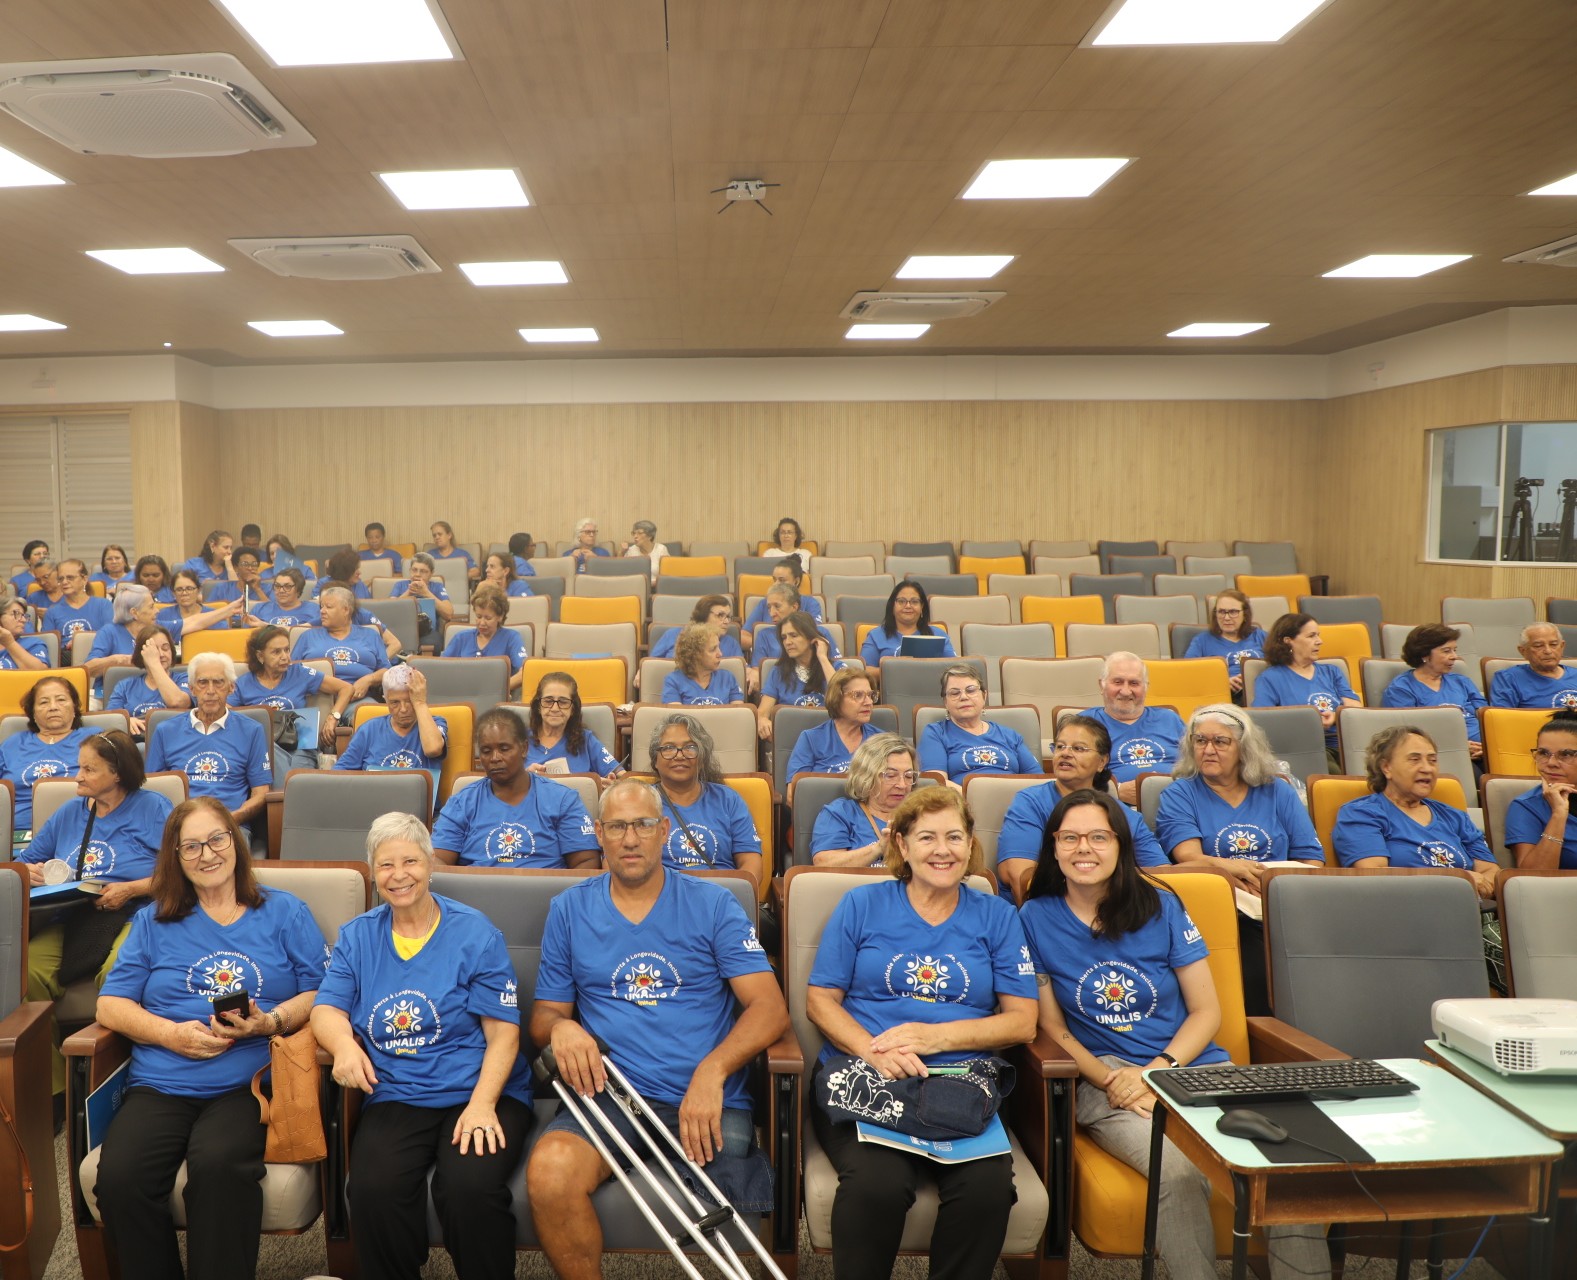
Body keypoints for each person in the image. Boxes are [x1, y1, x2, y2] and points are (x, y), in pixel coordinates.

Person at [1020, 787, 1331, 1280]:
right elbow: (1053, 1027)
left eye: (1099, 837)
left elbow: (1206, 1011)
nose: (1084, 848)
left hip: (1187, 1066)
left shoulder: (1162, 905)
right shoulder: (1034, 918)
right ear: (1053, 847)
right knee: (1178, 1171)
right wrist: (1114, 1080)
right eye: (1069, 837)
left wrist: (1157, 1073)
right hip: (1108, 1081)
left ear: (1121, 844)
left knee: (1286, 1165)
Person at [525, 780, 787, 1280]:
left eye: (643, 825)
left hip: (704, 1097)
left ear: (665, 830)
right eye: (617, 826)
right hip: (609, 1093)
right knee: (550, 1173)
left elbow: (770, 1010)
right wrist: (561, 1029)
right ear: (598, 833)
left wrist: (713, 1072)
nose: (630, 839)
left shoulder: (713, 904)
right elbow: (544, 1016)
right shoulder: (569, 909)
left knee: (727, 1197)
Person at [806, 786, 1037, 1280]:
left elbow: (1022, 1021)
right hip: (870, 1075)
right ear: (901, 844)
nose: (942, 850)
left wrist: (936, 1038)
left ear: (970, 844)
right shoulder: (861, 904)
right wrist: (872, 1051)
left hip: (961, 1082)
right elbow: (820, 1000)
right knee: (877, 1186)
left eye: (954, 837)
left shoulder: (997, 915)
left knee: (987, 1191)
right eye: (927, 837)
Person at [94, 798, 327, 1280]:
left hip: (249, 1084)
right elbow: (109, 1005)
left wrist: (270, 1022)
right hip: (161, 1082)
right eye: (191, 846)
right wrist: (169, 1034)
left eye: (217, 839)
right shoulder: (154, 920)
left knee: (219, 1167)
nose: (207, 854)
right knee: (120, 1179)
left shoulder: (285, 912)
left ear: (236, 842)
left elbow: (322, 992)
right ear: (175, 857)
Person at [313, 813, 534, 1280]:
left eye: (410, 861)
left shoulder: (475, 934)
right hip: (397, 1091)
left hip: (480, 1090)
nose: (399, 875)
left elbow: (503, 1033)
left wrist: (482, 1105)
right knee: (372, 1189)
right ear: (372, 872)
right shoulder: (358, 937)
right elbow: (326, 1010)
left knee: (469, 1189)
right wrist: (344, 1047)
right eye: (386, 864)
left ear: (431, 863)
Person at [21, 729, 172, 1094]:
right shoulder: (68, 813)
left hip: (135, 910)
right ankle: (55, 1092)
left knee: (119, 970)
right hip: (74, 914)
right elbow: (23, 863)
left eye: (89, 769)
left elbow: (181, 870)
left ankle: (118, 1078)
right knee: (25, 973)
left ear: (117, 773)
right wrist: (29, 872)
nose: (78, 776)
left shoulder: (154, 808)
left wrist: (131, 889)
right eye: (79, 767)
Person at [996, 715, 1169, 899]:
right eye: (1060, 746)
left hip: (1115, 909)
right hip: (1047, 907)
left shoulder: (1125, 815)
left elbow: (1162, 876)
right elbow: (1018, 876)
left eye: (1078, 748)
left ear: (1102, 762)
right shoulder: (1030, 802)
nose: (1065, 753)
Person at [1157, 704, 1323, 891]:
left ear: (1244, 748)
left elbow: (1310, 857)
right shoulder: (1179, 794)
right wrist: (1229, 871)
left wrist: (1281, 891)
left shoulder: (1278, 790)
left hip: (1281, 890)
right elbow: (1189, 857)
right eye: (1200, 740)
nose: (1208, 750)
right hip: (1219, 892)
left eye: (1220, 742)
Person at [1332, 725, 1498, 896]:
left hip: (1467, 906)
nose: (1427, 768)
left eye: (1432, 760)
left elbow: (1490, 871)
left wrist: (1480, 886)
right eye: (1414, 759)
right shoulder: (1362, 814)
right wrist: (1458, 880)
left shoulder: (1455, 817)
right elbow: (1376, 876)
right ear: (1386, 767)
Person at [432, 707, 596, 867]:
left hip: (545, 884)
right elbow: (437, 861)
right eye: (486, 751)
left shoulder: (563, 800)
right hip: (476, 885)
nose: (495, 758)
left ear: (524, 749)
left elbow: (586, 862)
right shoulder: (461, 803)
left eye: (504, 749)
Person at [146, 653, 272, 837]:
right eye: (203, 682)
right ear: (191, 688)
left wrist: (231, 818)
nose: (210, 690)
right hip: (179, 826)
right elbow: (152, 791)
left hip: (230, 825)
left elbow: (261, 793)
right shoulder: (165, 731)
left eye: (218, 682)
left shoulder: (252, 730)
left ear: (231, 687)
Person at [647, 713, 762, 882]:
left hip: (720, 893)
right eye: (668, 748)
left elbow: (751, 864)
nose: (679, 755)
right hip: (663, 893)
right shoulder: (641, 801)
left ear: (702, 759)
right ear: (655, 761)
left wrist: (733, 893)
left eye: (690, 747)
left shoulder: (728, 800)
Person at [232, 624, 352, 775]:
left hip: (301, 746)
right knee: (271, 758)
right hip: (264, 748)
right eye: (276, 652)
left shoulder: (299, 673)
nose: (285, 657)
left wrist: (333, 717)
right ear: (260, 656)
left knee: (297, 774)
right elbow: (227, 714)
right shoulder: (244, 683)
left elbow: (346, 688)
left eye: (287, 650)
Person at [1251, 613, 1360, 768]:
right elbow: (1263, 721)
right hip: (1305, 747)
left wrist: (1335, 715)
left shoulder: (1332, 671)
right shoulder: (1270, 678)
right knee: (1334, 772)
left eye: (1318, 635)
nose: (1319, 641)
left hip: (1345, 743)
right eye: (1311, 636)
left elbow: (1355, 708)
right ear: (1288, 641)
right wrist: (1310, 721)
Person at [84, 584, 236, 689]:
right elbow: (89, 669)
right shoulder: (109, 632)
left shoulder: (158, 629)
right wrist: (118, 660)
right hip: (112, 696)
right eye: (151, 607)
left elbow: (195, 622)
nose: (157, 611)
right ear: (134, 613)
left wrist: (229, 610)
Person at [1083, 652, 1186, 804]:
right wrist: (1115, 790)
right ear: (1102, 685)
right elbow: (1070, 778)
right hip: (1113, 808)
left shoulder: (1170, 719)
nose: (1125, 691)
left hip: (1179, 804)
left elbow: (1197, 766)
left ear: (1146, 687)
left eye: (1134, 683)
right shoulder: (1084, 724)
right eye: (1118, 682)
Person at [0, 675, 92, 834]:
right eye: (44, 702)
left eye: (61, 700)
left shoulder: (93, 739)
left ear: (75, 707)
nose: (53, 707)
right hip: (16, 832)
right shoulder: (12, 743)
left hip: (77, 828)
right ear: (33, 713)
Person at [808, 732, 917, 867]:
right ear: (866, 777)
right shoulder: (841, 813)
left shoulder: (921, 814)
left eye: (908, 776)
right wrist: (879, 848)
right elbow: (824, 863)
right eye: (890, 775)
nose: (902, 785)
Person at [920, 664, 1042, 782]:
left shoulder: (1010, 736)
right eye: (955, 693)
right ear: (945, 702)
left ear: (984, 696)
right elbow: (937, 783)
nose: (964, 697)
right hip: (961, 796)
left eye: (971, 690)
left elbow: (1038, 781)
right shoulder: (936, 733)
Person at [1383, 623, 1487, 760]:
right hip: (1444, 754)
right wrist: (1457, 746)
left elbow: (1486, 717)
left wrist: (1488, 747)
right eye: (1446, 651)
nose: (1454, 656)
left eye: (1455, 650)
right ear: (1425, 655)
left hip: (1486, 749)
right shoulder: (1402, 689)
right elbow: (1406, 735)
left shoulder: (1462, 681)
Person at [335, 665, 447, 775]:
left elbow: (433, 749)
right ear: (386, 701)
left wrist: (420, 703)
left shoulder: (436, 723)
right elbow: (339, 772)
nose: (403, 709)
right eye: (395, 702)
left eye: (409, 701)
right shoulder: (369, 730)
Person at [291, 585, 390, 703]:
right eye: (321, 606)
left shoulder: (371, 635)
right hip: (316, 699)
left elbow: (387, 671)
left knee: (369, 711)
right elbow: (290, 670)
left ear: (346, 610)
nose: (322, 611)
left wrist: (369, 679)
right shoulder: (307, 636)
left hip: (358, 699)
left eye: (329, 607)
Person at [784, 667, 882, 783]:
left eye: (870, 695)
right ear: (837, 698)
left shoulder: (881, 742)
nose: (869, 702)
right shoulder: (810, 739)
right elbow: (796, 790)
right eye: (858, 695)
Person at [1506, 709, 1577, 869]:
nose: (1551, 763)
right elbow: (1532, 877)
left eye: (1565, 754)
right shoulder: (1526, 807)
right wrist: (1558, 814)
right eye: (1543, 753)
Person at [756, 611, 841, 739]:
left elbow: (842, 699)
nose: (787, 642)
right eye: (784, 637)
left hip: (832, 738)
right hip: (792, 740)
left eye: (793, 635)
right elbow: (762, 713)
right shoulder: (778, 672)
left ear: (811, 638)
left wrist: (822, 657)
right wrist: (762, 720)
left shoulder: (836, 667)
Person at [524, 674, 624, 778]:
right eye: (548, 701)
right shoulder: (520, 740)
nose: (555, 708)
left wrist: (602, 782)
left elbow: (622, 776)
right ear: (538, 706)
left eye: (563, 702)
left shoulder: (586, 740)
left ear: (573, 709)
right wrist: (524, 776)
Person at [106, 625, 191, 736]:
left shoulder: (184, 678)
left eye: (165, 648)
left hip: (173, 737)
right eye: (154, 650)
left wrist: (154, 663)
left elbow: (177, 702)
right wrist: (127, 721)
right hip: (135, 740)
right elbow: (111, 719)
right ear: (141, 654)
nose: (161, 654)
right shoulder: (125, 686)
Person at [444, 584, 526, 694]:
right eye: (478, 617)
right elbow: (441, 669)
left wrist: (498, 690)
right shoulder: (461, 638)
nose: (482, 623)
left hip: (497, 697)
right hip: (462, 695)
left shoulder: (511, 638)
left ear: (500, 616)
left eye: (488, 618)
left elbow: (525, 672)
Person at [1183, 588, 1265, 696]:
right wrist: (1222, 683)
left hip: (1260, 691)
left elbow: (1281, 665)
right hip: (1222, 696)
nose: (1226, 618)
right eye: (1221, 612)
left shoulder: (1260, 636)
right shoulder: (1201, 641)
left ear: (1245, 614)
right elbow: (1188, 675)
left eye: (1233, 612)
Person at [860, 580, 956, 668]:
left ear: (922, 607)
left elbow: (954, 667)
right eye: (901, 601)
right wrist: (893, 667)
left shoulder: (938, 635)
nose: (908, 606)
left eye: (914, 602)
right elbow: (864, 671)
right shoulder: (876, 635)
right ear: (892, 606)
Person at [747, 582, 841, 670]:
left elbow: (840, 670)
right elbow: (757, 672)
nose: (771, 613)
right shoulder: (764, 635)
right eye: (769, 607)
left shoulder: (820, 632)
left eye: (777, 606)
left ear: (794, 607)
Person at [1489, 623, 1577, 709]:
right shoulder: (1509, 679)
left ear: (1562, 646)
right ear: (1523, 651)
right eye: (1538, 646)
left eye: (1553, 644)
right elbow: (1501, 716)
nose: (1548, 651)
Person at [741, 558, 821, 650]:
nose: (776, 584)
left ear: (796, 581)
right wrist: (767, 644)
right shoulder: (764, 603)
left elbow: (814, 635)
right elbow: (743, 636)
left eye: (782, 580)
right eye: (774, 579)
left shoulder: (811, 603)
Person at [662, 623, 744, 705]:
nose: (720, 654)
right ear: (695, 654)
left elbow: (738, 711)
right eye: (713, 649)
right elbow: (676, 713)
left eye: (718, 647)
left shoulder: (728, 678)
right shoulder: (673, 681)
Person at [649, 595, 744, 662]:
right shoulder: (672, 635)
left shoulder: (732, 644)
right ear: (704, 615)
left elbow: (743, 670)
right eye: (720, 615)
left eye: (728, 616)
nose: (726, 621)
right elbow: (651, 665)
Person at [42, 558, 113, 646]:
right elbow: (47, 646)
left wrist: (81, 642)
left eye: (70, 577)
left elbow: (111, 637)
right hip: (65, 653)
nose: (64, 582)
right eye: (61, 579)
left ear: (84, 579)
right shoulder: (52, 612)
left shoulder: (104, 605)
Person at [391, 552, 455, 629]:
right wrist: (409, 592)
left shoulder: (437, 587)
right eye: (414, 570)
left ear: (431, 573)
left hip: (429, 630)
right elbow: (389, 611)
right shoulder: (400, 585)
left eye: (423, 571)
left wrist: (427, 593)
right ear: (410, 570)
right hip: (403, 629)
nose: (417, 574)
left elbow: (449, 614)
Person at [249, 566, 321, 628]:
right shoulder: (259, 609)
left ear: (298, 589)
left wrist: (265, 626)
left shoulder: (314, 609)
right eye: (277, 586)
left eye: (287, 586)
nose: (281, 590)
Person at [0, 595, 48, 671]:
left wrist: (10, 643)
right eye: (17, 614)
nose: (24, 620)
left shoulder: (33, 643)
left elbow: (40, 672)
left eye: (24, 615)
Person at [428, 520, 478, 585]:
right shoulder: (429, 555)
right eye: (434, 535)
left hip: (457, 587)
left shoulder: (462, 554)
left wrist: (458, 578)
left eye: (440, 534)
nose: (437, 537)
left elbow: (475, 571)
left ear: (449, 535)